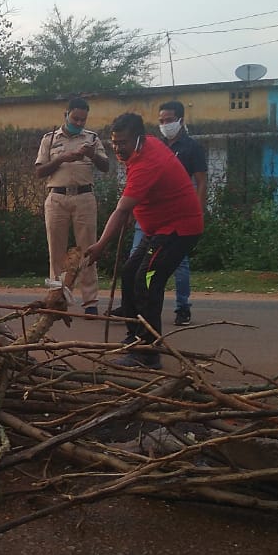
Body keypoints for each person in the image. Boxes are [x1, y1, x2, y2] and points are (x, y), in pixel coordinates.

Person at [84, 112, 203, 370]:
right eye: (114, 142)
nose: (117, 148)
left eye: (122, 142)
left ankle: (149, 352)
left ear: (138, 139)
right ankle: (135, 337)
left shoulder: (148, 162)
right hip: (158, 228)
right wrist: (132, 212)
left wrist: (100, 245)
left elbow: (120, 209)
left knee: (147, 279)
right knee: (129, 273)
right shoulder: (144, 144)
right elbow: (139, 198)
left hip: (178, 230)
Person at [34, 96, 109, 315]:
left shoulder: (92, 138)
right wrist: (62, 159)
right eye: (75, 118)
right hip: (57, 197)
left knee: (88, 250)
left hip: (84, 197)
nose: (78, 123)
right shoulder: (49, 139)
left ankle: (90, 302)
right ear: (65, 115)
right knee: (55, 251)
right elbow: (39, 172)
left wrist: (92, 154)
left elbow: (105, 166)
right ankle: (57, 298)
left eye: (82, 120)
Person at [156, 100, 207, 325]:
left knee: (180, 263)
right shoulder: (157, 146)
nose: (165, 125)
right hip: (157, 213)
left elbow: (202, 182)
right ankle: (140, 302)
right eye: (161, 121)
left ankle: (182, 307)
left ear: (180, 120)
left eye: (169, 120)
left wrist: (198, 210)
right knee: (145, 259)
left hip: (182, 213)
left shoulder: (191, 147)